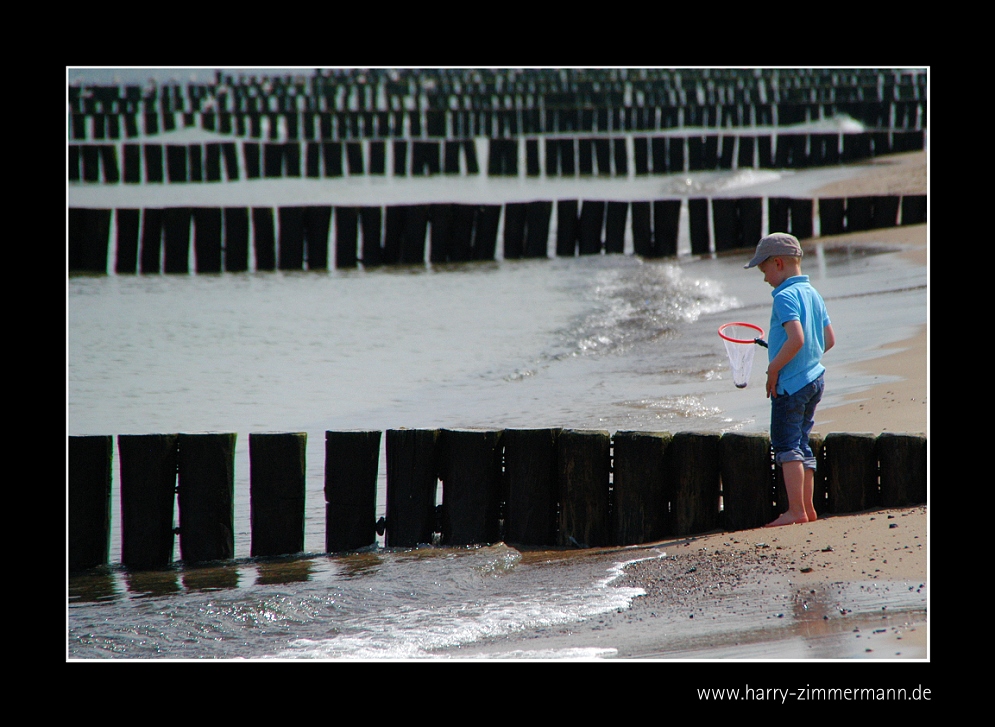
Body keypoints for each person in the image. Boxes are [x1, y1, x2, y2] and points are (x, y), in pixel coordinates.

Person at [744, 233, 836, 527]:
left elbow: (796, 338)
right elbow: (828, 340)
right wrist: (801, 357)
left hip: (792, 386)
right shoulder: (813, 293)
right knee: (802, 444)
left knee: (786, 446)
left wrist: (774, 369)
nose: (765, 278)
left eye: (764, 270)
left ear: (779, 263)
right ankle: (807, 510)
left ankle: (795, 510)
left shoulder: (784, 296)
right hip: (815, 380)